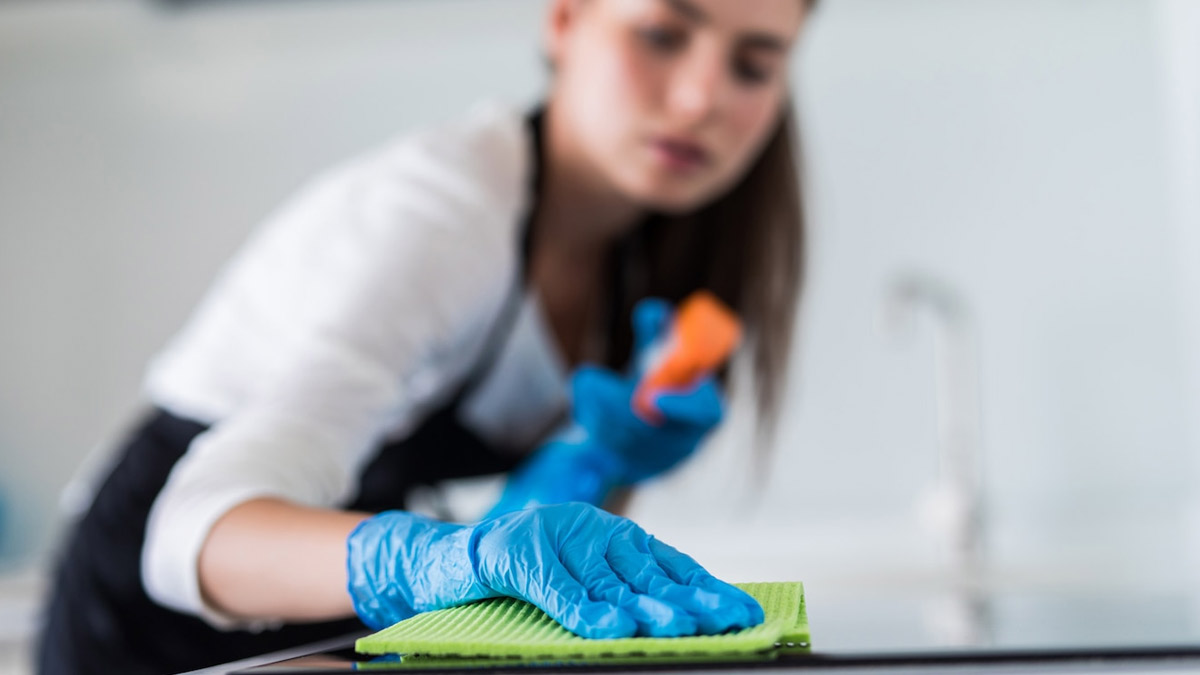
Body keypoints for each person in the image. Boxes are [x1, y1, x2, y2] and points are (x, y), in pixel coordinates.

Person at [37, 0, 814, 673]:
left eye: (752, 65)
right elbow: (189, 538)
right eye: (661, 34)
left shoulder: (647, 262)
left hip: (334, 613)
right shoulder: (441, 214)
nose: (701, 97)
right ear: (566, 18)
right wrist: (450, 556)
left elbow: (518, 551)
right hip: (157, 612)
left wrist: (593, 466)